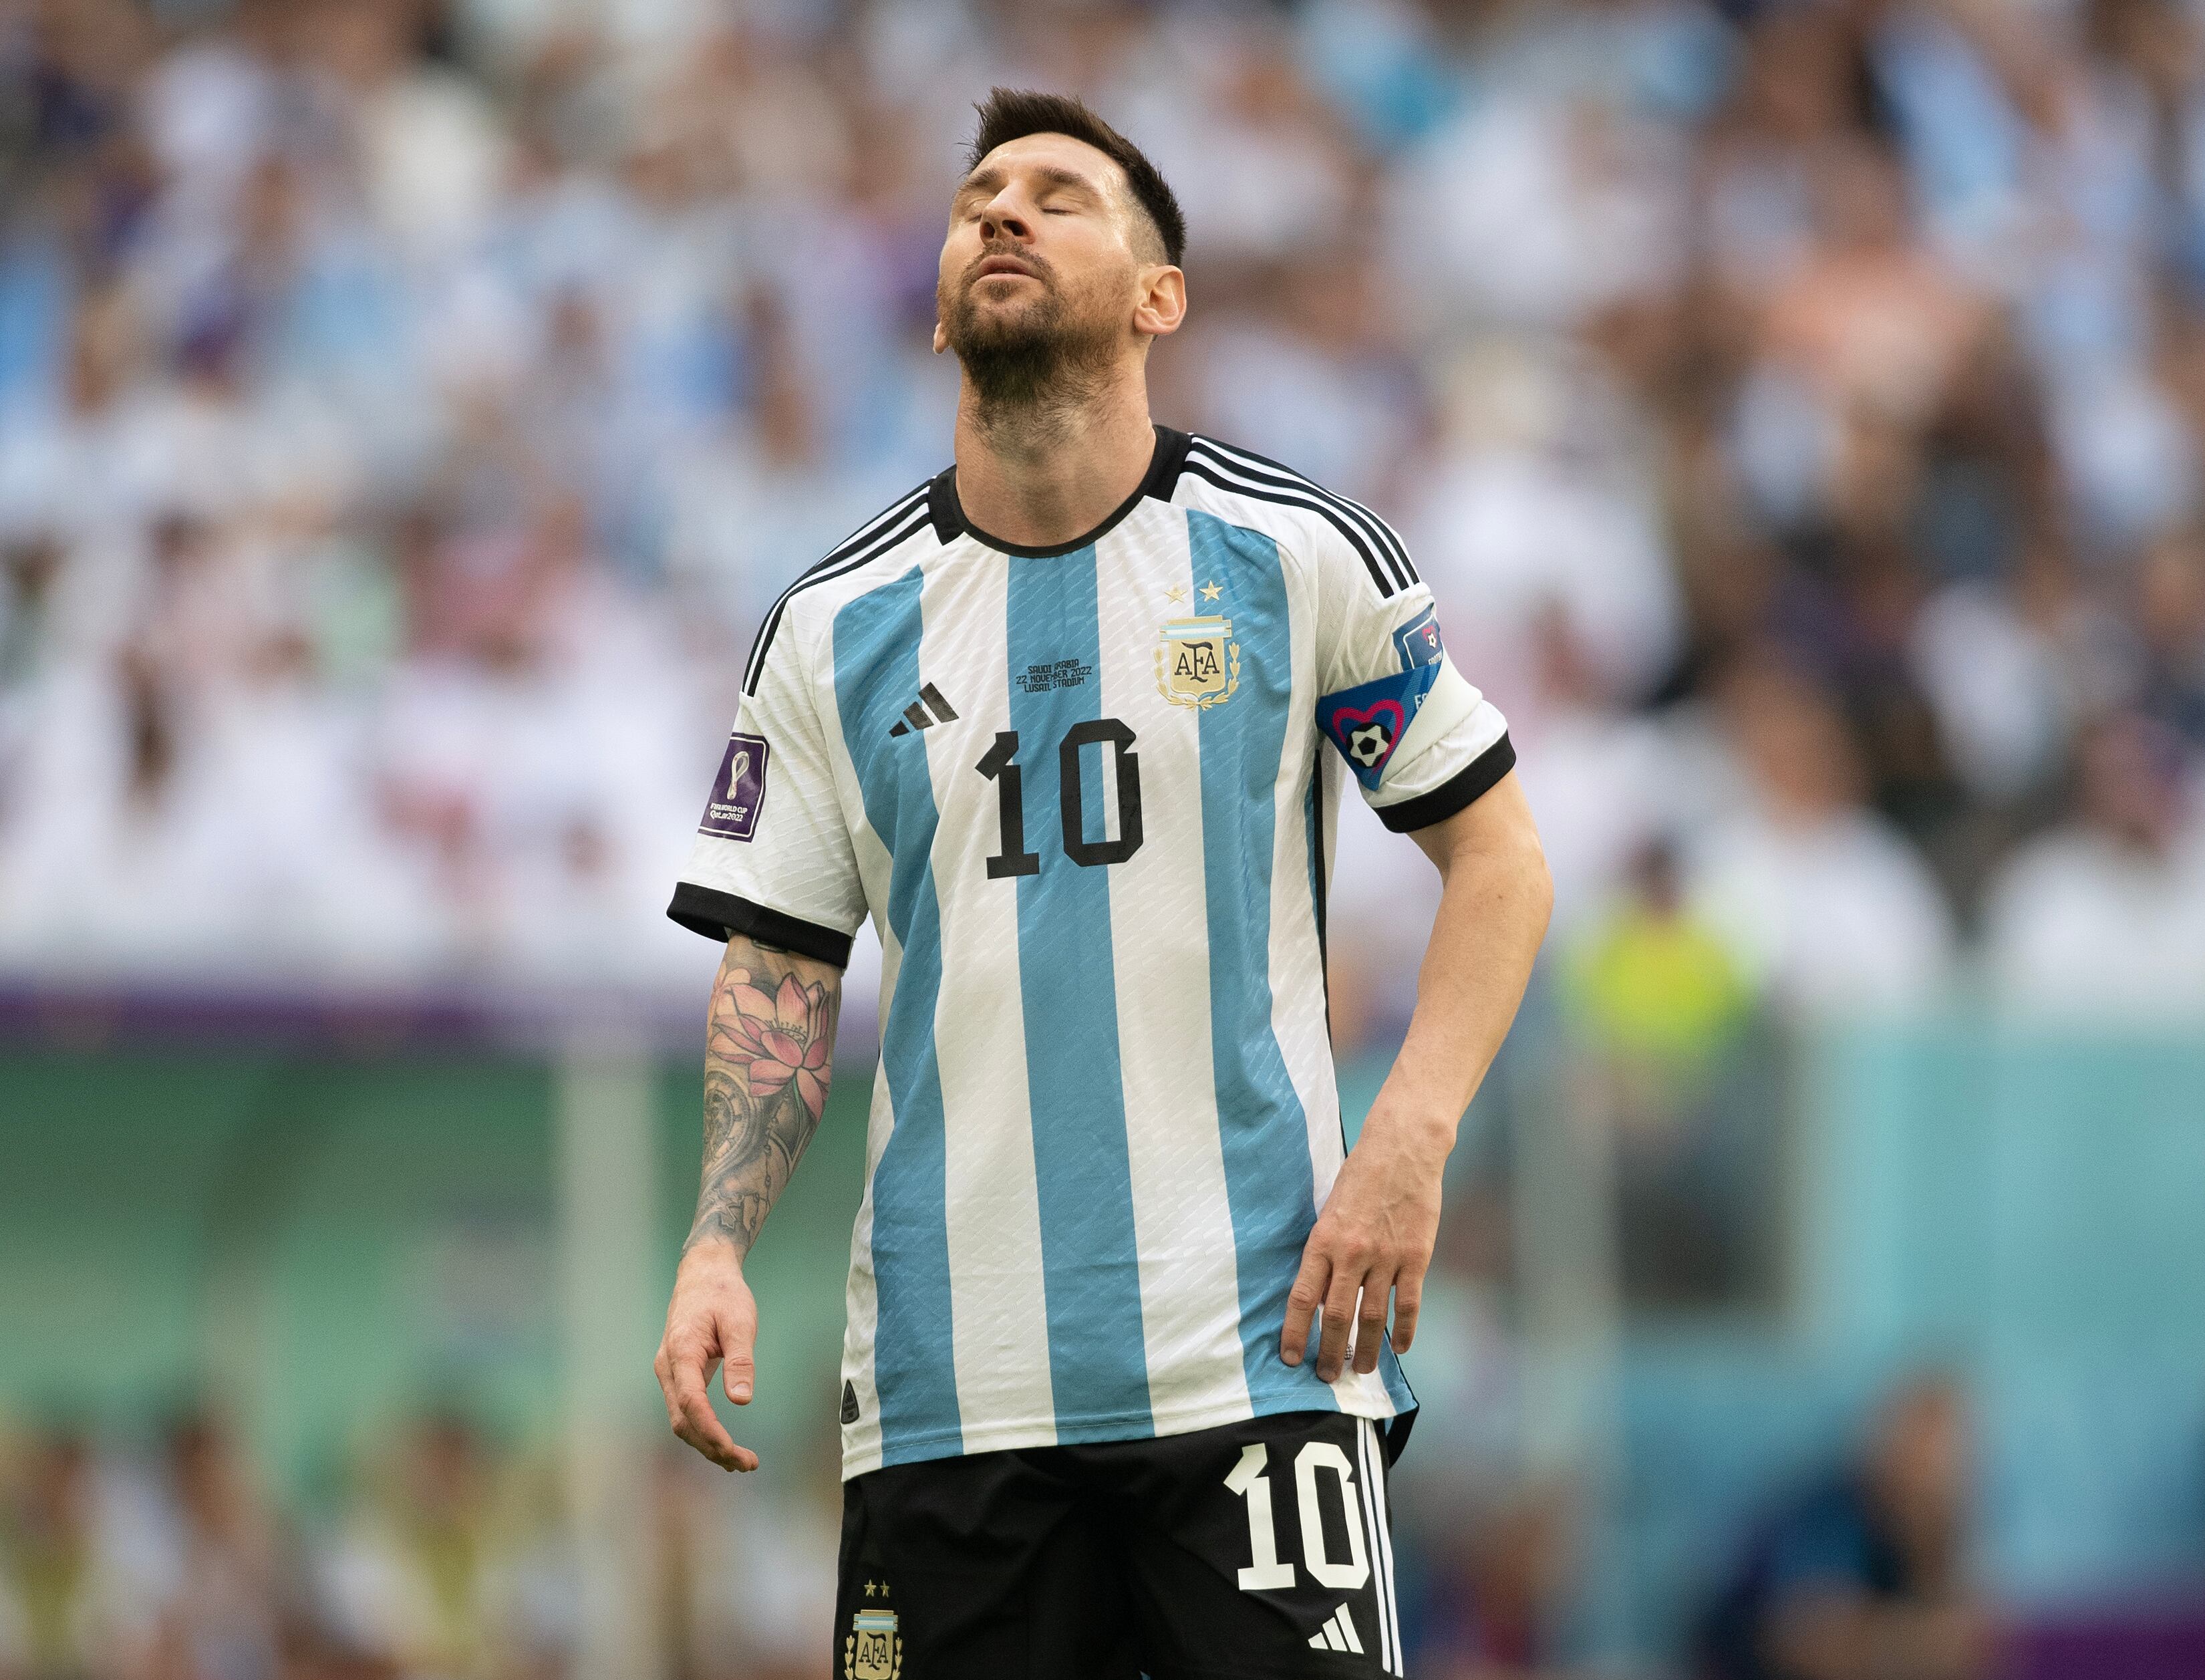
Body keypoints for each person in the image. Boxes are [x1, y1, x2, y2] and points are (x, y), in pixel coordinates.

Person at [652, 88, 1552, 1679]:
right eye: (978, 197)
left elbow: (1496, 857)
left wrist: (1405, 1142)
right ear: (935, 310)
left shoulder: (1296, 558)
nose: (1001, 212)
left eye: (1059, 195)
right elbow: (782, 973)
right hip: (951, 1390)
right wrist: (717, 1242)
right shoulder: (831, 629)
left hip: (1258, 1358)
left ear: (1158, 297)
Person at [1697, 1376, 1991, 1680]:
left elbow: (1969, 1647)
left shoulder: (1934, 1529)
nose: (1929, 1464)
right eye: (1921, 1441)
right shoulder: (1829, 1512)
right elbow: (1813, 1642)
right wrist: (1919, 1641)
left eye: (1945, 1451)